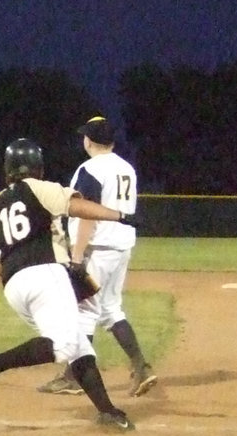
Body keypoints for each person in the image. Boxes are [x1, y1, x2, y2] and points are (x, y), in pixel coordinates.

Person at [0, 137, 139, 431]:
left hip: (15, 287)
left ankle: (108, 411)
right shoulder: (40, 187)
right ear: (37, 166)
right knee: (63, 346)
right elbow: (78, 206)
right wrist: (120, 215)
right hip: (47, 274)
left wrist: (8, 271)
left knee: (78, 345)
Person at [37, 117, 157, 398]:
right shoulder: (126, 168)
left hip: (97, 249)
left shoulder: (89, 169)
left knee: (83, 313)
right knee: (111, 308)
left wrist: (77, 257)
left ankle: (74, 377)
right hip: (121, 247)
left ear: (89, 141)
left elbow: (87, 212)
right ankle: (140, 366)